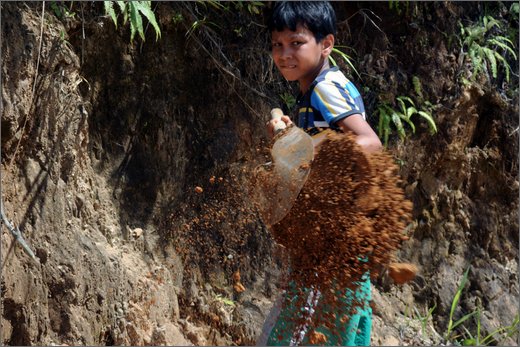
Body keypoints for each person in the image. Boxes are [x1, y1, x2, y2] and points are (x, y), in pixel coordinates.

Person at [258, 2, 382, 346]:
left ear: (325, 44)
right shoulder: (318, 88)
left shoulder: (325, 88)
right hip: (339, 236)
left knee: (293, 332)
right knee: (342, 325)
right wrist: (290, 138)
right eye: (277, 45)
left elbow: (369, 142)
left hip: (334, 242)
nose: (285, 54)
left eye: (296, 43)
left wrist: (304, 149)